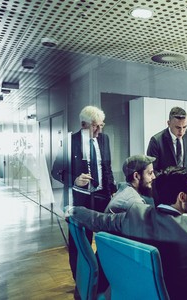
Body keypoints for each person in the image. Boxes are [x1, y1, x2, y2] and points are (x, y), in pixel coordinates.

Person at [67, 167, 187, 300]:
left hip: (139, 294)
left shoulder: (133, 215)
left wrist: (73, 211)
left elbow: (98, 220)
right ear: (181, 197)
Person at [68, 105, 117, 288]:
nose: (99, 129)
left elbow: (108, 167)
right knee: (81, 243)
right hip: (82, 200)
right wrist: (74, 180)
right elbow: (56, 170)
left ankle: (103, 278)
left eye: (101, 125)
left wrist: (112, 191)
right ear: (83, 124)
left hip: (102, 197)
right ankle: (80, 282)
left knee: (108, 239)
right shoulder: (71, 141)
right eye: (95, 126)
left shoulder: (104, 139)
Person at [147, 106, 187, 180]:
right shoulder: (156, 141)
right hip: (165, 186)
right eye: (178, 127)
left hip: (186, 184)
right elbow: (153, 169)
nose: (181, 131)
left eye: (184, 127)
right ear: (168, 123)